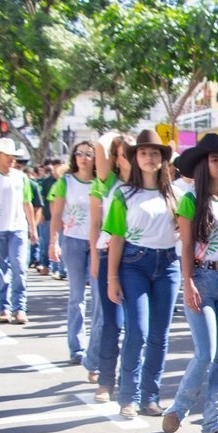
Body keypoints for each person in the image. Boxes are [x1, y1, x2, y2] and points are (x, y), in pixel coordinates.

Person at [162, 134, 218, 433]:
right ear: (203, 165)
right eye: (215, 160)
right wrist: (188, 281)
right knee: (206, 352)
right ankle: (179, 408)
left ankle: (215, 419)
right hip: (201, 279)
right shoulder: (191, 200)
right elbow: (186, 245)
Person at [103, 129, 181, 419]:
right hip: (134, 263)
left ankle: (151, 397)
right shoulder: (124, 194)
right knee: (138, 331)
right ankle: (129, 396)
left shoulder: (175, 194)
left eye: (155, 153)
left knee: (160, 335)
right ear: (135, 158)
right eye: (144, 153)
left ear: (163, 159)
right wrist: (112, 278)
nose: (149, 158)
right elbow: (117, 238)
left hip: (168, 265)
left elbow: (186, 232)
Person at [0, 138, 38, 324]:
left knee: (19, 267)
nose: (12, 159)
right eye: (7, 155)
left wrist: (33, 227)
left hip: (18, 228)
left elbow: (27, 203)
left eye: (13, 155)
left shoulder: (21, 177)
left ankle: (20, 308)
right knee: (1, 270)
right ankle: (4, 307)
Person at [90, 133, 132, 403]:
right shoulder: (109, 182)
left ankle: (131, 382)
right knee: (112, 323)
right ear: (115, 158)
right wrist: (95, 258)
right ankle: (106, 381)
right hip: (108, 254)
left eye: (131, 152)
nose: (127, 157)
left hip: (138, 256)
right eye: (122, 153)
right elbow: (99, 147)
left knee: (137, 327)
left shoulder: (147, 183)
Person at [49, 141, 97, 367]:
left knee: (99, 297)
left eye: (89, 154)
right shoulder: (66, 182)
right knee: (77, 297)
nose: (84, 158)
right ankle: (77, 348)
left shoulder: (102, 182)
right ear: (74, 157)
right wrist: (53, 242)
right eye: (80, 154)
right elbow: (56, 214)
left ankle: (96, 349)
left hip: (98, 243)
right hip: (73, 240)